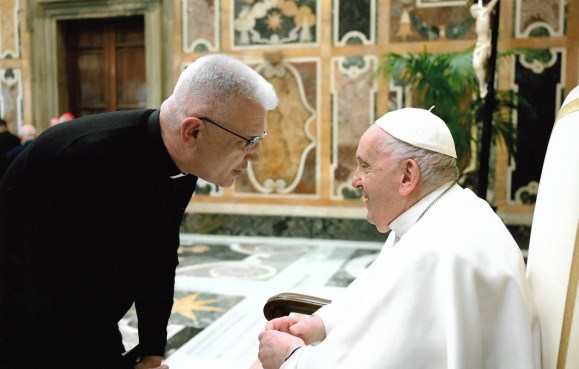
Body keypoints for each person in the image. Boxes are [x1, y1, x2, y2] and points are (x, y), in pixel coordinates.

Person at [0, 54, 279, 369]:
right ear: (193, 132)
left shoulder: (183, 163)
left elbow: (159, 257)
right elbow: (61, 300)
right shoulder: (81, 161)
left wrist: (152, 351)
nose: (255, 155)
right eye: (249, 141)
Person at [258, 108, 541, 369]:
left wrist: (292, 359)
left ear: (407, 176)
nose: (355, 180)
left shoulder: (438, 251)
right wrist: (321, 323)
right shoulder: (445, 213)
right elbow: (374, 291)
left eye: (364, 166)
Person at [470, 0, 499, 98]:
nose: (473, 14)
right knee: (475, 65)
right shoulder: (479, 17)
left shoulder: (484, 14)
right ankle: (481, 85)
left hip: (485, 45)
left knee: (478, 65)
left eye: (473, 11)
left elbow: (490, 5)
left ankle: (482, 86)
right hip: (478, 45)